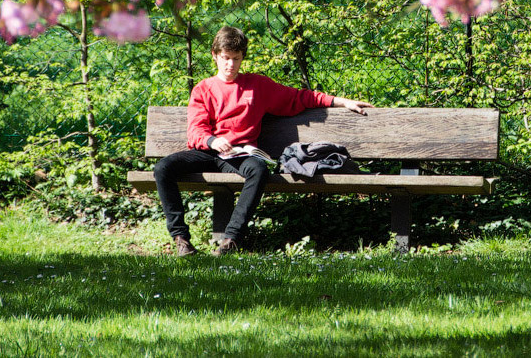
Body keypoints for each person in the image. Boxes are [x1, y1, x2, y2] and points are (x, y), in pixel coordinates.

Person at [154, 25, 373, 256]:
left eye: (236, 59)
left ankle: (230, 240)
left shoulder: (257, 86)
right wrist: (212, 141)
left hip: (240, 154)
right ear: (215, 56)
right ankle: (181, 240)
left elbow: (299, 98)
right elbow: (196, 130)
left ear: (242, 58)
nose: (230, 64)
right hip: (208, 151)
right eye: (225, 58)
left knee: (258, 169)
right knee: (163, 168)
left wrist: (342, 102)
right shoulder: (203, 89)